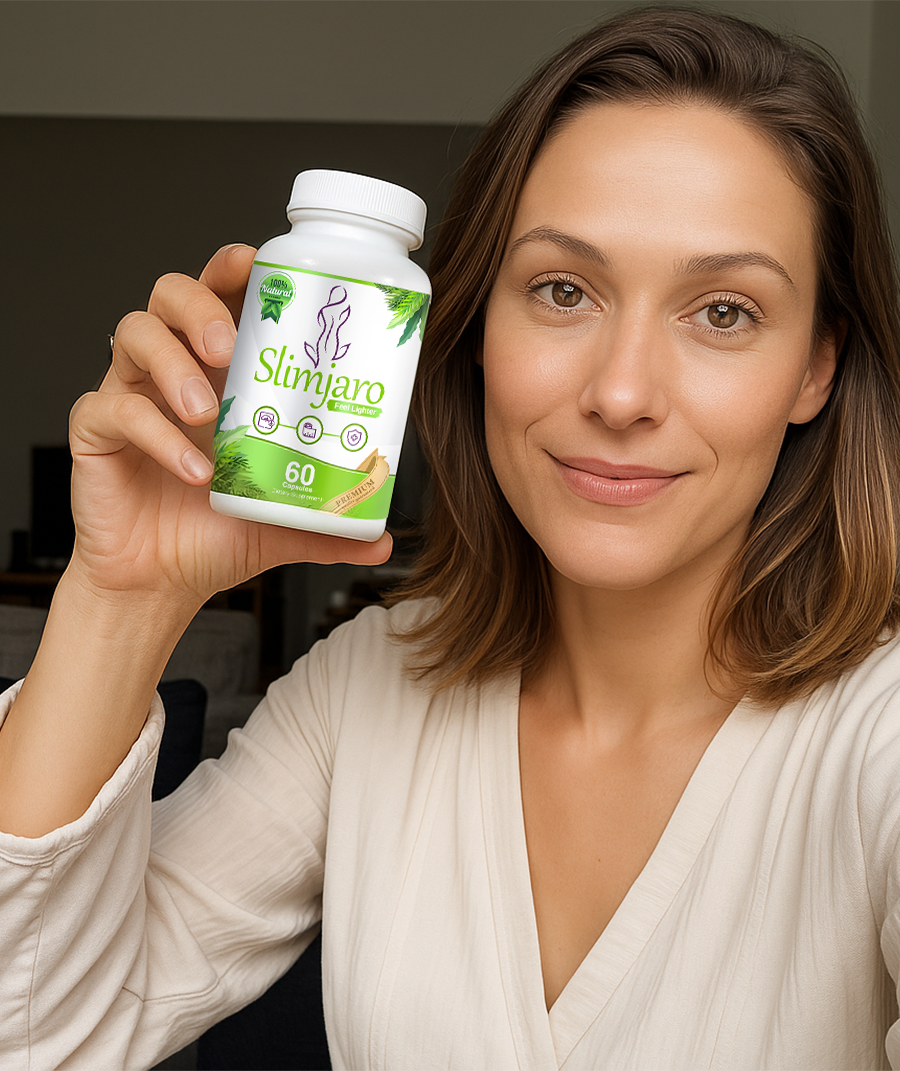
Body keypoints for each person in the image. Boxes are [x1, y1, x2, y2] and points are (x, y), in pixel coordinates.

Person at [2, 5, 900, 1069]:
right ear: (472, 331)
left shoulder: (877, 739)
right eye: (563, 291)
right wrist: (122, 596)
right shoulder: (368, 690)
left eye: (724, 312)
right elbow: (38, 1034)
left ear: (815, 368)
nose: (621, 393)